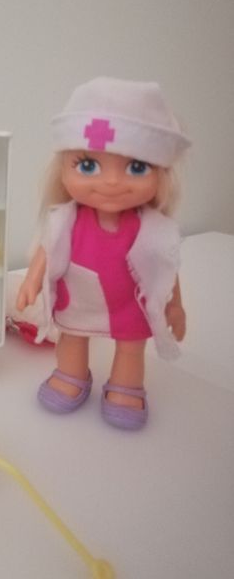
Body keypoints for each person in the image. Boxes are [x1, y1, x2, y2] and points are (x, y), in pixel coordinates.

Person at [16, 77, 191, 429]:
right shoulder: (66, 219)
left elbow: (164, 266)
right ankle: (71, 374)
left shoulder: (152, 227)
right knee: (72, 336)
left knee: (131, 346)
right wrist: (31, 280)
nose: (111, 182)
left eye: (136, 167)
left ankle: (126, 386)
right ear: (62, 169)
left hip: (130, 301)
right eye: (88, 165)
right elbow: (48, 248)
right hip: (79, 296)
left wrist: (174, 304)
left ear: (161, 174)